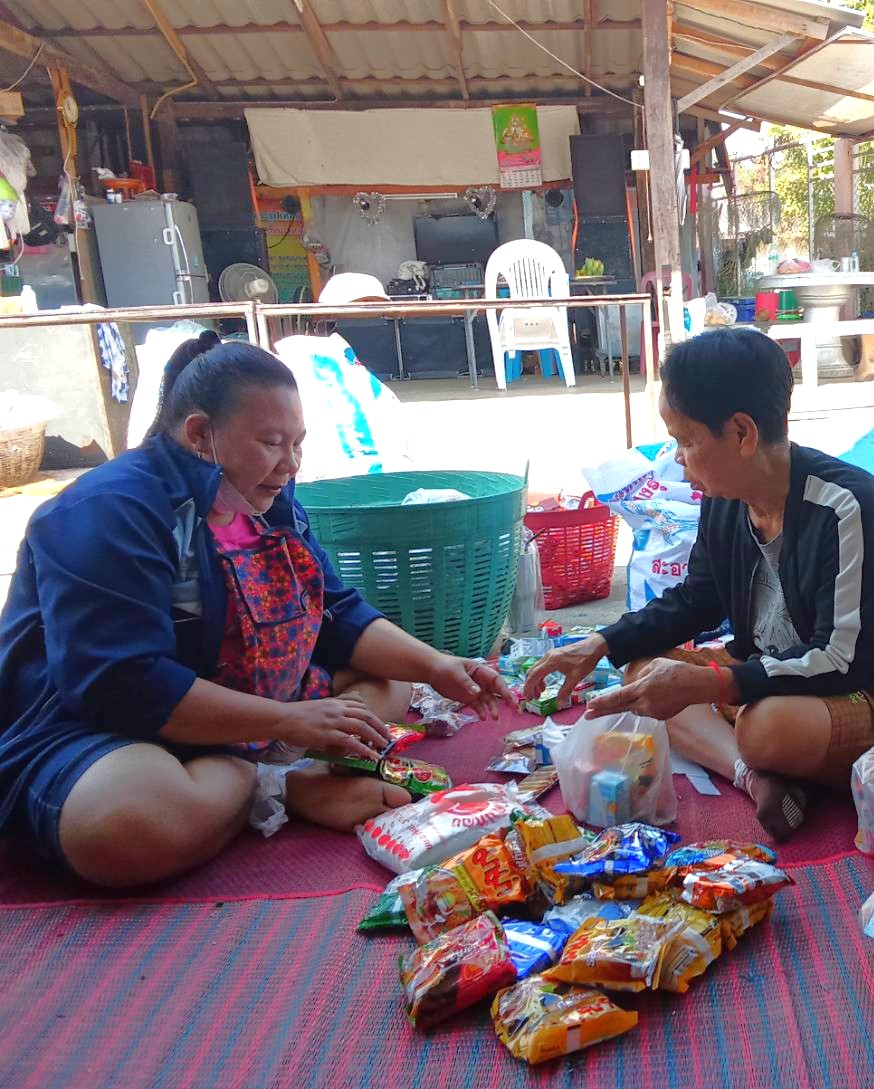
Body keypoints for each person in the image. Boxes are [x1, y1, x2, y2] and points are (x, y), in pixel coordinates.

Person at [0, 332, 514, 888]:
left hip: (250, 701)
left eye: (298, 444)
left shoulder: (266, 498)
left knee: (391, 682)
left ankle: (256, 777)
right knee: (124, 823)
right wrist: (286, 722)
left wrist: (438, 666)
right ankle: (282, 785)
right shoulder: (107, 510)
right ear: (200, 433)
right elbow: (121, 684)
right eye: (272, 443)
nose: (290, 464)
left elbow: (335, 614)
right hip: (110, 730)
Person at [524, 328, 874, 840]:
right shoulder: (724, 499)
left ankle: (776, 761)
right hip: (788, 672)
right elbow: (697, 599)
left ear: (741, 433)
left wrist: (715, 684)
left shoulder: (845, 505)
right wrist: (601, 643)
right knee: (643, 673)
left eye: (687, 441)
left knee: (765, 727)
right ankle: (758, 779)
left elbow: (843, 657)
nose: (678, 459)